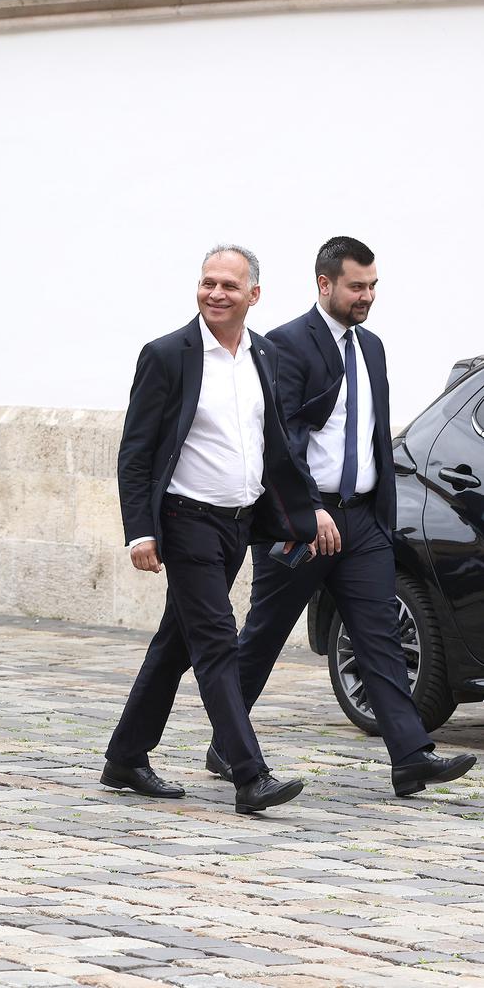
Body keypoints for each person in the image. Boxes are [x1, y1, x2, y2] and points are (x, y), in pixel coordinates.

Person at [208, 237, 476, 796]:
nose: (367, 296)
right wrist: (305, 512)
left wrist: (382, 513)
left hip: (364, 522)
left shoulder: (372, 347)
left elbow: (375, 434)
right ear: (325, 284)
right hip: (304, 522)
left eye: (373, 286)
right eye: (357, 286)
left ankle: (410, 757)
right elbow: (278, 441)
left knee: (378, 634)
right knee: (263, 634)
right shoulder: (284, 345)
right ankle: (224, 743)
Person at [104, 244, 318, 814]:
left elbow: (275, 446)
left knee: (176, 642)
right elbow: (137, 452)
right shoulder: (168, 354)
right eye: (207, 283)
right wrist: (140, 530)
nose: (215, 294)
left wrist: (303, 513)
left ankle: (125, 757)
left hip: (237, 524)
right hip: (185, 520)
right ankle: (250, 774)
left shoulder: (264, 355)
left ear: (253, 295)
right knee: (218, 641)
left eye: (228, 285)